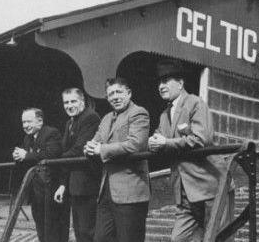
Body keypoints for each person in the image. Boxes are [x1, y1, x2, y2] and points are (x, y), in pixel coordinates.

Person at [148, 60, 233, 242]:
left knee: (219, 238)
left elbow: (202, 139)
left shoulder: (195, 103)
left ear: (180, 83)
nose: (161, 86)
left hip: (210, 186)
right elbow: (159, 137)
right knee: (178, 239)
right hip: (185, 193)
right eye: (159, 83)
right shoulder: (164, 115)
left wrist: (165, 143)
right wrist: (152, 142)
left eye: (166, 81)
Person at [84, 78, 150, 242]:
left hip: (130, 192)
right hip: (106, 191)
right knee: (100, 238)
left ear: (129, 93)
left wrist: (101, 149)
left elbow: (136, 144)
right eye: (110, 94)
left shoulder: (138, 112)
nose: (115, 97)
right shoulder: (106, 119)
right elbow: (96, 141)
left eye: (119, 92)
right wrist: (89, 148)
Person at [12, 108, 70, 242]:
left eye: (28, 121)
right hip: (36, 191)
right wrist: (17, 156)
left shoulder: (51, 133)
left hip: (51, 188)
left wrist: (26, 155)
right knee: (40, 225)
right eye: (23, 122)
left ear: (40, 121)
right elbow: (27, 158)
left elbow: (51, 154)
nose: (25, 125)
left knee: (53, 227)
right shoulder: (28, 138)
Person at [54, 88, 101, 242]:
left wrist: (55, 159)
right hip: (75, 185)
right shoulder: (70, 122)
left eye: (73, 101)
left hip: (87, 184)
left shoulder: (90, 117)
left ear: (82, 101)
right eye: (66, 102)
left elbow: (79, 149)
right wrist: (62, 184)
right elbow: (66, 150)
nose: (69, 105)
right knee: (79, 232)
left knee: (88, 232)